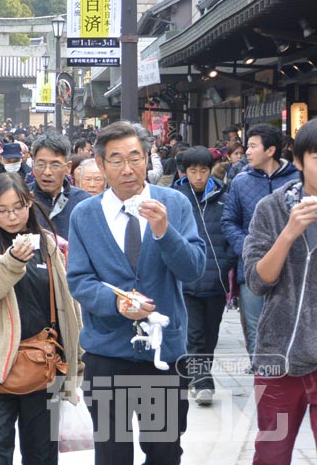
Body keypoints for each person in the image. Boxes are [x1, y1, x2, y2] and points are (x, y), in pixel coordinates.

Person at [67, 121, 205, 464]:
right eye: (116, 160)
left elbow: (193, 270)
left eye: (135, 157)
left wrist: (164, 231)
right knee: (112, 453)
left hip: (163, 353)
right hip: (107, 350)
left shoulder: (174, 203)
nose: (127, 169)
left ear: (148, 158)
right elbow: (79, 279)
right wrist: (116, 303)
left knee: (164, 451)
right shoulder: (85, 214)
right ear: (100, 165)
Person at [0, 173, 82, 464]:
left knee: (42, 453)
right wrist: (11, 261)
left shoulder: (48, 243)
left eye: (18, 207)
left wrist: (76, 357)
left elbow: (67, 303)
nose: (11, 216)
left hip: (46, 363)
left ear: (29, 203)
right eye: (1, 210)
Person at [243, 118, 317, 465]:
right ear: (299, 161)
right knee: (272, 452)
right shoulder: (271, 209)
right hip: (279, 354)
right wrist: (289, 233)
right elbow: (258, 282)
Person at [222, 123, 298, 362]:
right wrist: (247, 247)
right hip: (252, 268)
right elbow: (229, 222)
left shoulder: (298, 179)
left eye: (253, 146)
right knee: (255, 328)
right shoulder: (240, 182)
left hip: (293, 269)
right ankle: (262, 379)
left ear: (271, 150)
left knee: (292, 326)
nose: (247, 152)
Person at [174, 146, 235, 408]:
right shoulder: (175, 197)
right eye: (193, 171)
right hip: (185, 282)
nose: (198, 176)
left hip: (216, 281)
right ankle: (203, 383)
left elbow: (233, 229)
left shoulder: (224, 196)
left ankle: (197, 374)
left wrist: (227, 262)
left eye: (203, 170)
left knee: (210, 335)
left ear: (210, 171)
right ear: (184, 172)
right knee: (195, 334)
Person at [29, 133, 90, 239]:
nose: (47, 172)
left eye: (55, 165)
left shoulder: (83, 202)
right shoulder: (22, 197)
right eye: (41, 164)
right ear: (33, 166)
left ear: (68, 167)